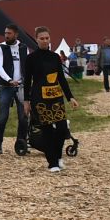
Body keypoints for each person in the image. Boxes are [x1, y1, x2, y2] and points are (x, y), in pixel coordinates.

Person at [21, 26, 77, 172]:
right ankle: (52, 163)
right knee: (47, 130)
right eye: (42, 38)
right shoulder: (31, 59)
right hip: (39, 98)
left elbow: (62, 79)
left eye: (47, 38)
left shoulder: (55, 57)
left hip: (56, 96)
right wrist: (26, 101)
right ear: (37, 39)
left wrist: (70, 97)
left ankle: (58, 156)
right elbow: (27, 81)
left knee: (62, 128)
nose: (45, 41)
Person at [0, 25, 30, 156]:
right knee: (3, 116)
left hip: (21, 86)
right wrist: (8, 80)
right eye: (5, 33)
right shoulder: (1, 47)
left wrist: (26, 80)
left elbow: (27, 66)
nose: (6, 35)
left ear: (16, 34)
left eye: (9, 33)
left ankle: (21, 143)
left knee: (24, 117)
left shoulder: (24, 48)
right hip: (6, 87)